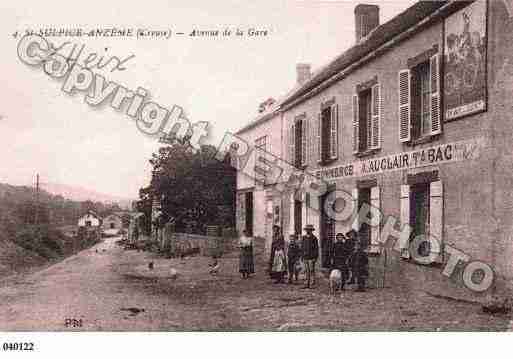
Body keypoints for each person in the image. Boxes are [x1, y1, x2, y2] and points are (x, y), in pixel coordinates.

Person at [301, 224, 319, 289]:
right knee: (306, 270)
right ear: (306, 230)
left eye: (310, 230)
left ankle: (312, 284)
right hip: (305, 257)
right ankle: (306, 283)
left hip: (312, 257)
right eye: (307, 230)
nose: (308, 231)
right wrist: (302, 256)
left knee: (311, 270)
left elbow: (316, 248)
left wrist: (315, 257)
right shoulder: (303, 238)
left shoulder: (314, 238)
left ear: (312, 231)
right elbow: (302, 247)